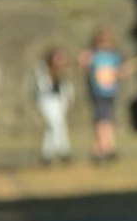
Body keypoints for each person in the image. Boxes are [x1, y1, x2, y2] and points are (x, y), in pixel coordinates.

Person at [79, 27, 123, 162]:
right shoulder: (93, 55)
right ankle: (102, 148)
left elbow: (118, 73)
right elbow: (83, 66)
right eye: (101, 42)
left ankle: (106, 147)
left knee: (107, 121)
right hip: (98, 93)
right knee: (101, 121)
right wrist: (84, 61)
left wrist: (121, 72)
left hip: (110, 92)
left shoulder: (114, 56)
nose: (104, 45)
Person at [31, 46, 74, 164]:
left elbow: (67, 88)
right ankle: (64, 151)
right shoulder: (43, 71)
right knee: (56, 125)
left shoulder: (64, 73)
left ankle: (47, 154)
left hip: (59, 101)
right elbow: (42, 86)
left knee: (53, 128)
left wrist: (69, 99)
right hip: (47, 101)